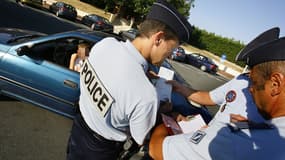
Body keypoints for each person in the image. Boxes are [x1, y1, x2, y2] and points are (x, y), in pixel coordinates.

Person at [66, 0, 192, 159]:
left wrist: (143, 76)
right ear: (158, 38)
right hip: (100, 151)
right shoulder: (146, 96)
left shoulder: (105, 44)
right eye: (172, 49)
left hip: (78, 129)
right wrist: (164, 113)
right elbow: (141, 137)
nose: (170, 56)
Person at [149, 34, 285, 160]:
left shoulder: (238, 141)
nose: (250, 88)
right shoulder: (272, 129)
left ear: (275, 83)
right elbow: (210, 97)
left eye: (254, 82)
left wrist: (167, 123)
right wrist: (248, 126)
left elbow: (156, 150)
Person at [167, 27, 280, 125]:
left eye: (255, 70)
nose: (250, 75)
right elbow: (209, 98)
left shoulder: (274, 103)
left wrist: (250, 128)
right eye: (250, 68)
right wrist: (180, 88)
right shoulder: (241, 80)